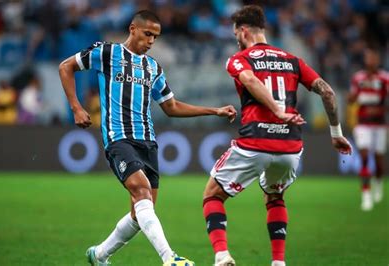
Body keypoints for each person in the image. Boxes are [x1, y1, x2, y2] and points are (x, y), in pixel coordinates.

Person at [58, 10, 236, 266]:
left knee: (140, 212)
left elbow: (171, 106)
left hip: (148, 142)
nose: (152, 41)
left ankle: (99, 255)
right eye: (148, 34)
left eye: (156, 36)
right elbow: (66, 67)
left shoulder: (153, 67)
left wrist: (215, 110)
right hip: (118, 138)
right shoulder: (107, 53)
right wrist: (76, 107)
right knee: (141, 191)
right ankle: (169, 258)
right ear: (132, 29)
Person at [201, 5, 352, 266]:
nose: (236, 38)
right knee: (274, 196)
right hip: (289, 147)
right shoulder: (292, 60)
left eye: (236, 33)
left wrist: (277, 110)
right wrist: (336, 132)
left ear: (244, 30)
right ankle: (279, 262)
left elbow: (249, 80)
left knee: (213, 195)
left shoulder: (240, 59)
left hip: (255, 142)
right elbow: (327, 91)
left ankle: (222, 254)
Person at [347, 47, 388, 211]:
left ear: (377, 60)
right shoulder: (359, 78)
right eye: (368, 58)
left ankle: (378, 182)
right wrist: (353, 97)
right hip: (363, 123)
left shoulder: (384, 78)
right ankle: (366, 195)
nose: (370, 61)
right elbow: (351, 99)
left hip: (380, 124)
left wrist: (379, 110)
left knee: (378, 159)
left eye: (373, 58)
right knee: (364, 155)